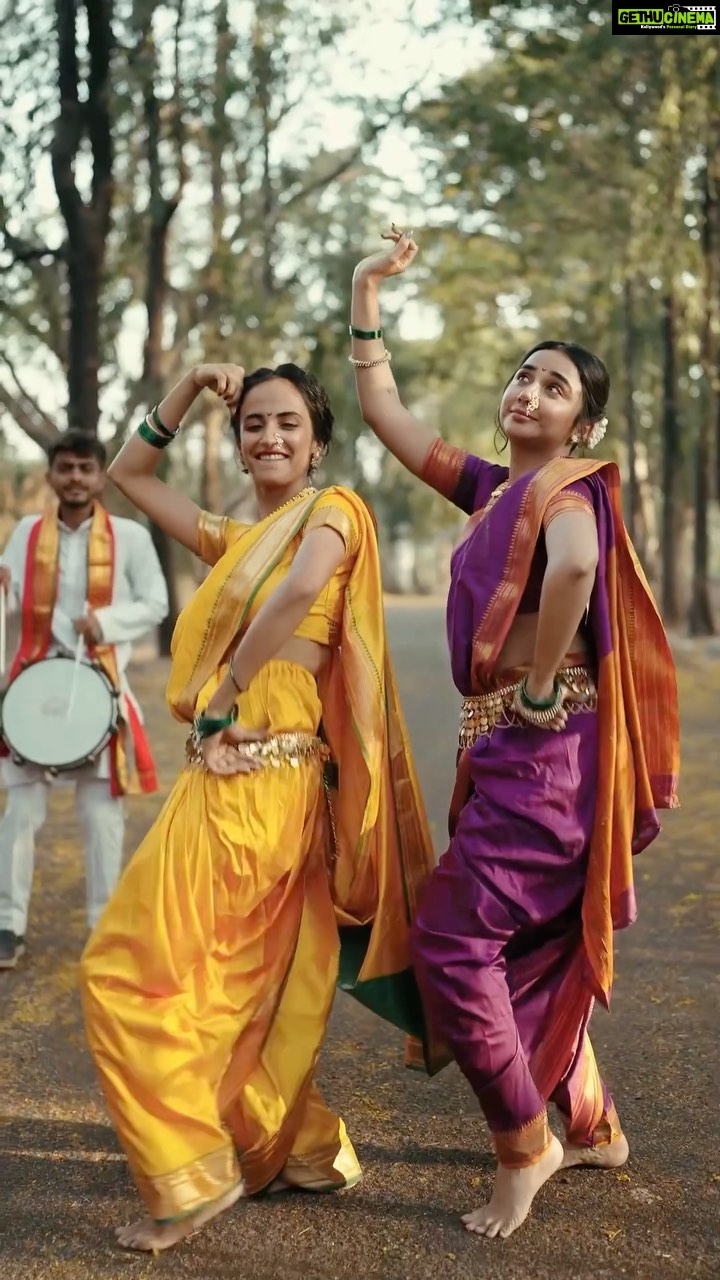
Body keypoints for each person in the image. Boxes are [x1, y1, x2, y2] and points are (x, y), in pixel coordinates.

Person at [349, 226, 679, 1239]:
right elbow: (386, 412)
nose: (528, 393)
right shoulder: (495, 488)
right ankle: (589, 1121)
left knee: (453, 937)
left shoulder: (569, 489)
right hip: (506, 753)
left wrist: (538, 679)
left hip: (550, 750)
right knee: (528, 943)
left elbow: (577, 565)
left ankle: (522, 1145)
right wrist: (365, 292)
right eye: (522, 378)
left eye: (554, 387)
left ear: (583, 424)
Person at [79, 360, 437, 1252]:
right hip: (221, 784)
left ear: (318, 441)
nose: (268, 437)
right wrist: (193, 387)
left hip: (265, 788)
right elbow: (129, 475)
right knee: (227, 984)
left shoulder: (334, 512)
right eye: (253, 426)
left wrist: (225, 688)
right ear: (237, 447)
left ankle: (187, 1180)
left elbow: (297, 592)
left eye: (287, 423)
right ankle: (283, 1148)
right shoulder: (241, 539)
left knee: (127, 970)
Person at [0, 431, 168, 969]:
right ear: (50, 476)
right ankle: (8, 924)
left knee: (101, 814)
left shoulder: (131, 537)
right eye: (65, 469)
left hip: (100, 686)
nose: (75, 478)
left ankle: (102, 922)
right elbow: (11, 600)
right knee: (20, 811)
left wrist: (106, 622)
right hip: (32, 691)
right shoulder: (26, 533)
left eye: (85, 469)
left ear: (100, 478)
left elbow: (157, 603)